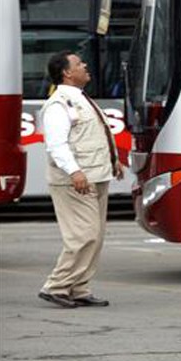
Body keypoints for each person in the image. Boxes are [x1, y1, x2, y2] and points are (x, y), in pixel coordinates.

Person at [38, 51, 123, 308]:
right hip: (76, 180)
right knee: (83, 234)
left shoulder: (81, 99)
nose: (85, 65)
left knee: (95, 236)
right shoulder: (58, 104)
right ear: (66, 73)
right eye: (79, 64)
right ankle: (57, 285)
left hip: (96, 175)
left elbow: (94, 134)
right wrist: (74, 172)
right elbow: (56, 144)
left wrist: (113, 161)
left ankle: (79, 288)